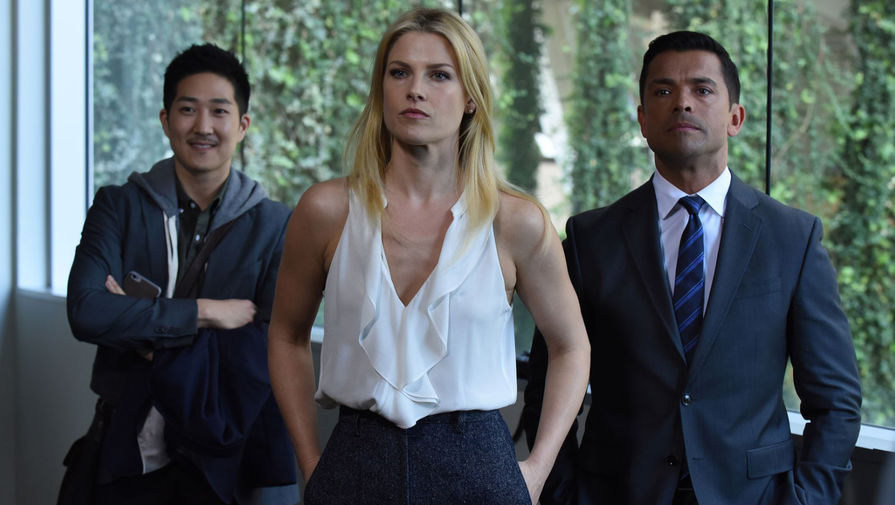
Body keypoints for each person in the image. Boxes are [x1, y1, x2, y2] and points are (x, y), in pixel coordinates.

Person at [522, 31, 862, 505]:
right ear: (642, 120)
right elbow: (547, 389)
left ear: (735, 117)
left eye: (702, 89)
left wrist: (808, 499)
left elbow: (836, 400)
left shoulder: (793, 239)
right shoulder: (588, 241)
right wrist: (564, 494)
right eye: (663, 90)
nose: (682, 102)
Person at [267, 7, 590, 505]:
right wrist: (312, 466)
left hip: (479, 467)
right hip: (354, 462)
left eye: (439, 75)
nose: (415, 89)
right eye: (400, 73)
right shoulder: (326, 210)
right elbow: (286, 336)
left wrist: (536, 470)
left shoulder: (515, 221)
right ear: (382, 90)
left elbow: (571, 346)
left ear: (470, 98)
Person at [63, 43, 297, 505]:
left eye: (219, 111)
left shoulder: (276, 226)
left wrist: (144, 338)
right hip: (124, 457)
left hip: (223, 465)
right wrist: (203, 312)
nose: (203, 126)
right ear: (166, 120)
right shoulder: (118, 206)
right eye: (188, 110)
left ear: (242, 125)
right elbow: (86, 312)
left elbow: (263, 353)